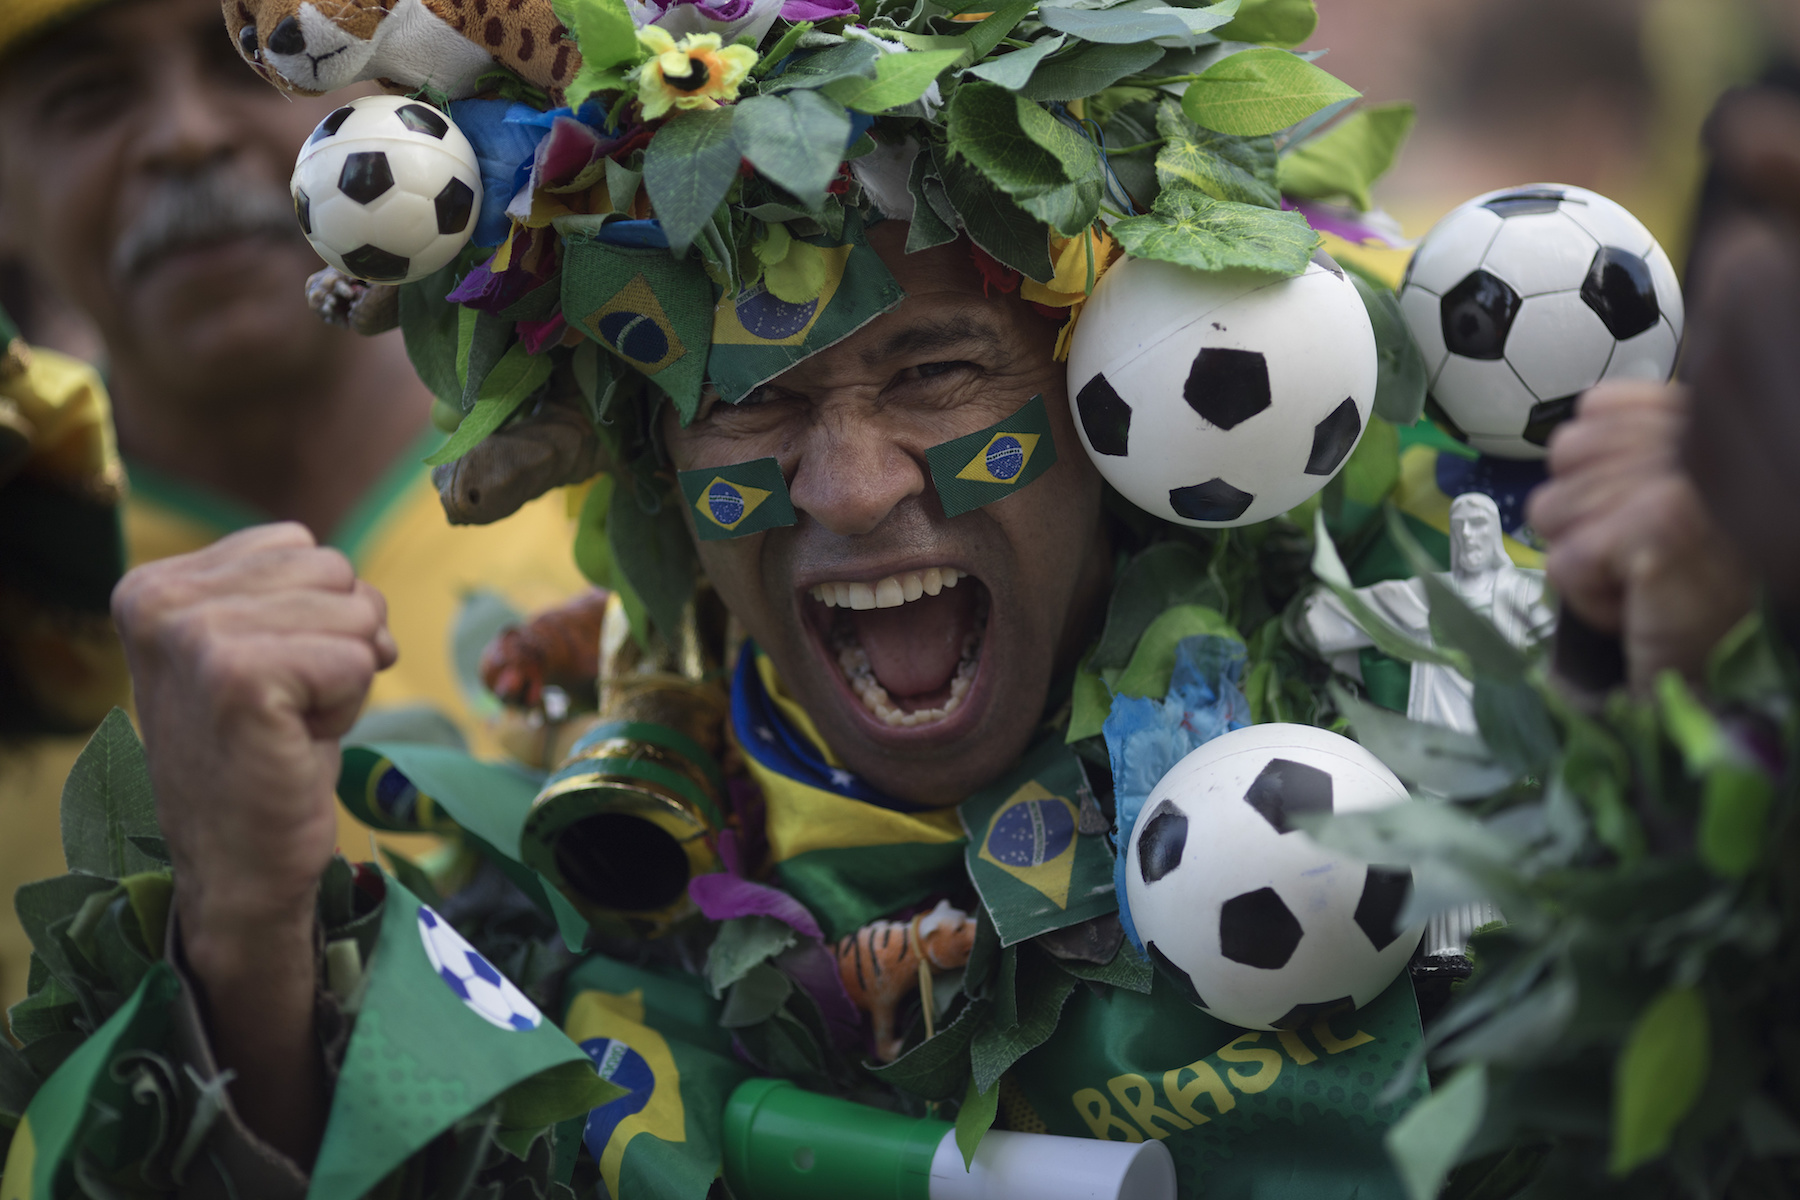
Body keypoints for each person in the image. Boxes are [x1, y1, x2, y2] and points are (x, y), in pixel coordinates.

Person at [4, 6, 1459, 1198]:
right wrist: (247, 934)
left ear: (1114, 409)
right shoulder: (566, 914)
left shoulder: (1441, 742)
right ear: (651, 480)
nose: (845, 485)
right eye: (741, 401)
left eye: (937, 373)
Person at [0, 0, 592, 1012]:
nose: (186, 135)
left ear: (413, 77)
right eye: (86, 97)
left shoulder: (648, 466)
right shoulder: (24, 607)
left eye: (251, 59)